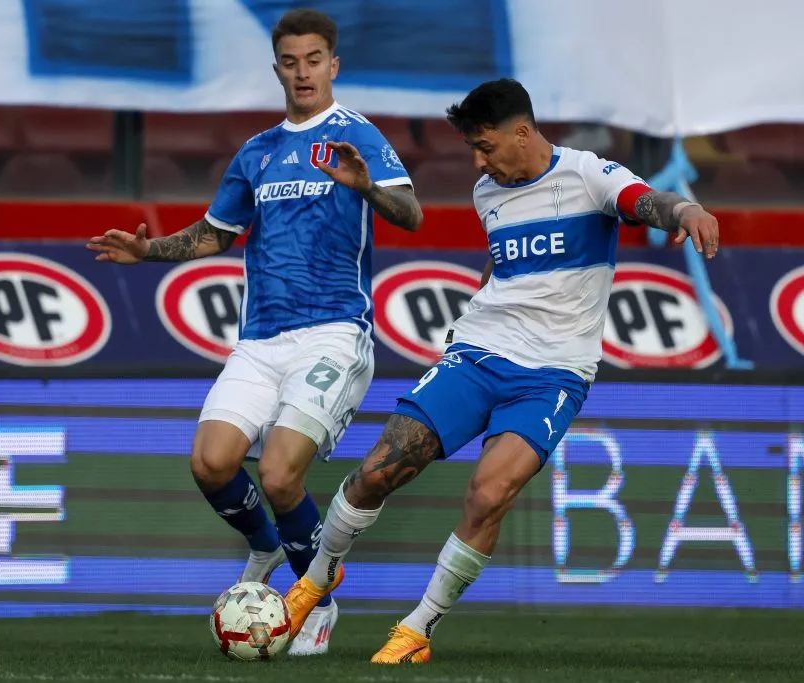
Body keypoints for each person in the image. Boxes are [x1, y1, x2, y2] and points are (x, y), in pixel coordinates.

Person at [281, 77, 721, 663]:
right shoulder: (489, 192)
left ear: (522, 132)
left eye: (485, 146)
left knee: (489, 494)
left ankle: (418, 628)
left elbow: (645, 202)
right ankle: (315, 580)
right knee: (376, 473)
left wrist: (685, 209)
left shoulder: (589, 174)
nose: (478, 161)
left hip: (553, 375)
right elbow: (504, 269)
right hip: (478, 355)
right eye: (474, 150)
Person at [86, 8, 422, 656]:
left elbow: (410, 212)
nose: (303, 73)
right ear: (278, 69)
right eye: (291, 62)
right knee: (210, 461)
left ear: (334, 64)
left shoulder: (357, 136)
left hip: (333, 333)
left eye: (314, 60)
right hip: (262, 338)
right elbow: (216, 233)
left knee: (277, 473)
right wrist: (146, 251)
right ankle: (267, 545)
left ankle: (316, 598)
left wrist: (365, 186)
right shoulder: (258, 152)